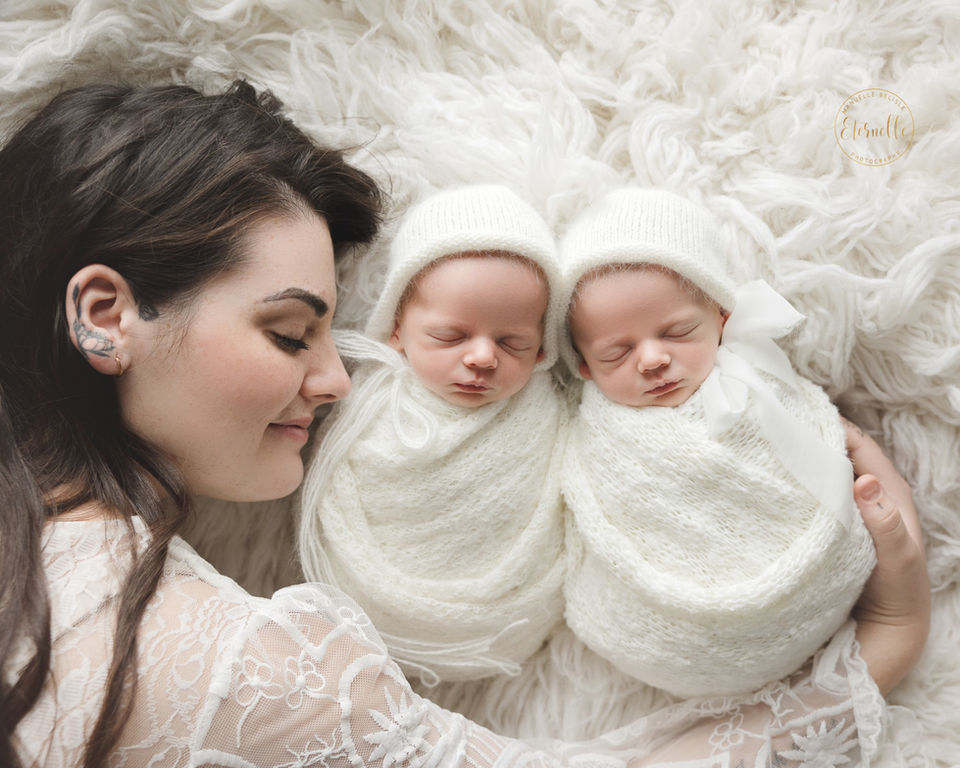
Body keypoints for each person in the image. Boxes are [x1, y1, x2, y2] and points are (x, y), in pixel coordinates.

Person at [0, 80, 928, 768]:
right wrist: (885, 640)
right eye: (289, 333)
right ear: (104, 315)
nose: (335, 379)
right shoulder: (227, 668)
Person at [558, 188, 878, 697]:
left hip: (812, 593)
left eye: (678, 331)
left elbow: (813, 447)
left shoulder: (758, 385)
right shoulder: (600, 429)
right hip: (654, 638)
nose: (652, 360)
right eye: (617, 354)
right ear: (584, 369)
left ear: (723, 320)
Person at [298, 185, 567, 684]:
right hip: (370, 623)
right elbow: (340, 483)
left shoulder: (541, 410)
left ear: (542, 349)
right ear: (396, 330)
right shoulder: (371, 404)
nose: (483, 358)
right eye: (450, 336)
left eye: (514, 342)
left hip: (509, 626)